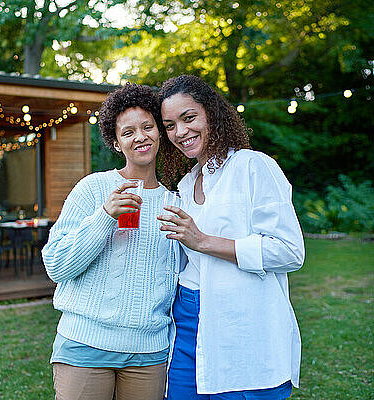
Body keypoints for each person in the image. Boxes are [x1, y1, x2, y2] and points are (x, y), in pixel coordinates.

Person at [157, 75, 305, 400]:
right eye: (170, 125)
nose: (180, 132)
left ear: (211, 113)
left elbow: (290, 251)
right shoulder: (185, 184)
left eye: (189, 118)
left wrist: (204, 241)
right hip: (187, 325)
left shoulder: (253, 167)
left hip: (243, 327)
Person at [42, 83, 180, 400]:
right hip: (85, 346)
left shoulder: (177, 203)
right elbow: (56, 266)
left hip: (148, 353)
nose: (140, 137)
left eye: (148, 127)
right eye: (128, 132)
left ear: (160, 132)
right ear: (116, 143)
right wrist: (105, 216)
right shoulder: (93, 188)